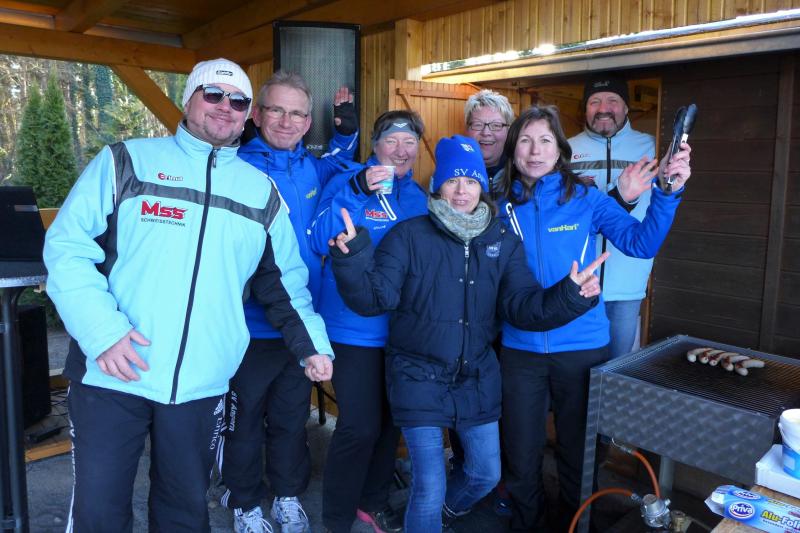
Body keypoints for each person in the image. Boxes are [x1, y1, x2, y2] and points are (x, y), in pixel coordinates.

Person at [43, 58, 333, 533]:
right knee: (100, 513)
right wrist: (102, 332)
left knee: (184, 512)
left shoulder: (261, 193)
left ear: (247, 114)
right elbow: (67, 249)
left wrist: (313, 346)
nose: (224, 107)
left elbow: (285, 284)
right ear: (188, 99)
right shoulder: (126, 161)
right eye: (213, 94)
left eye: (237, 100)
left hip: (202, 383)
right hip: (112, 373)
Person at [326, 135, 606, 533]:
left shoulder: (501, 240)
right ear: (438, 185)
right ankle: (427, 519)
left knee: (485, 474)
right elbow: (375, 299)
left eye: (471, 181)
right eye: (453, 180)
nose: (462, 190)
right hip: (417, 374)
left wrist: (570, 295)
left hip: (476, 375)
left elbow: (521, 306)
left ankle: (442, 516)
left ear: (481, 187)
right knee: (429, 486)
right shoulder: (408, 235)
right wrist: (352, 259)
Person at [496, 105, 691, 532]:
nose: (535, 150)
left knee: (578, 453)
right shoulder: (498, 207)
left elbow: (640, 243)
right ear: (513, 150)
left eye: (545, 140)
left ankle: (575, 525)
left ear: (559, 149)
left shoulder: (586, 199)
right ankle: (527, 525)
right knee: (521, 453)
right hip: (519, 350)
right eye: (525, 140)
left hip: (581, 347)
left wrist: (666, 192)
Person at [219, 71, 359, 533]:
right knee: (244, 421)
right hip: (249, 326)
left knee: (291, 418)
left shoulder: (311, 168)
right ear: (257, 115)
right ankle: (244, 502)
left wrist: (346, 130)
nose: (286, 121)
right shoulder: (235, 167)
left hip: (302, 325)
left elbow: (343, 162)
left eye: (297, 113)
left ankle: (286, 495)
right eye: (276, 110)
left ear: (307, 122)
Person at [309, 110, 429, 533]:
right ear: (375, 145)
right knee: (359, 427)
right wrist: (358, 191)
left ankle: (371, 503)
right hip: (351, 329)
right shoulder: (347, 181)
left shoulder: (418, 198)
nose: (401, 150)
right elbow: (317, 236)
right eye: (391, 140)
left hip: (400, 331)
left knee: (391, 422)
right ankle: (336, 518)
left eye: (410, 141)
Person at [568, 72, 660, 359]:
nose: (603, 108)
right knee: (577, 367)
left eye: (612, 100)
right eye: (594, 101)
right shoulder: (565, 150)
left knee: (615, 366)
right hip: (577, 281)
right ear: (585, 109)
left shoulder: (651, 146)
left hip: (628, 284)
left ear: (626, 107)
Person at [464, 89, 515, 199]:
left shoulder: (523, 173)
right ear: (467, 129)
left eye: (496, 125)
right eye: (478, 124)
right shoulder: (449, 173)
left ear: (509, 131)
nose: (486, 133)